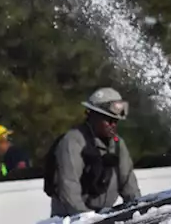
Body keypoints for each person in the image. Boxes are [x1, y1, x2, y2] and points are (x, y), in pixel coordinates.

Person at [46, 88, 141, 217]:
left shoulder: (118, 144)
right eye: (108, 120)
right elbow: (69, 190)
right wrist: (87, 218)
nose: (112, 125)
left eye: (115, 121)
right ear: (93, 116)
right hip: (71, 219)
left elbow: (130, 187)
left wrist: (138, 211)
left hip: (102, 217)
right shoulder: (73, 142)